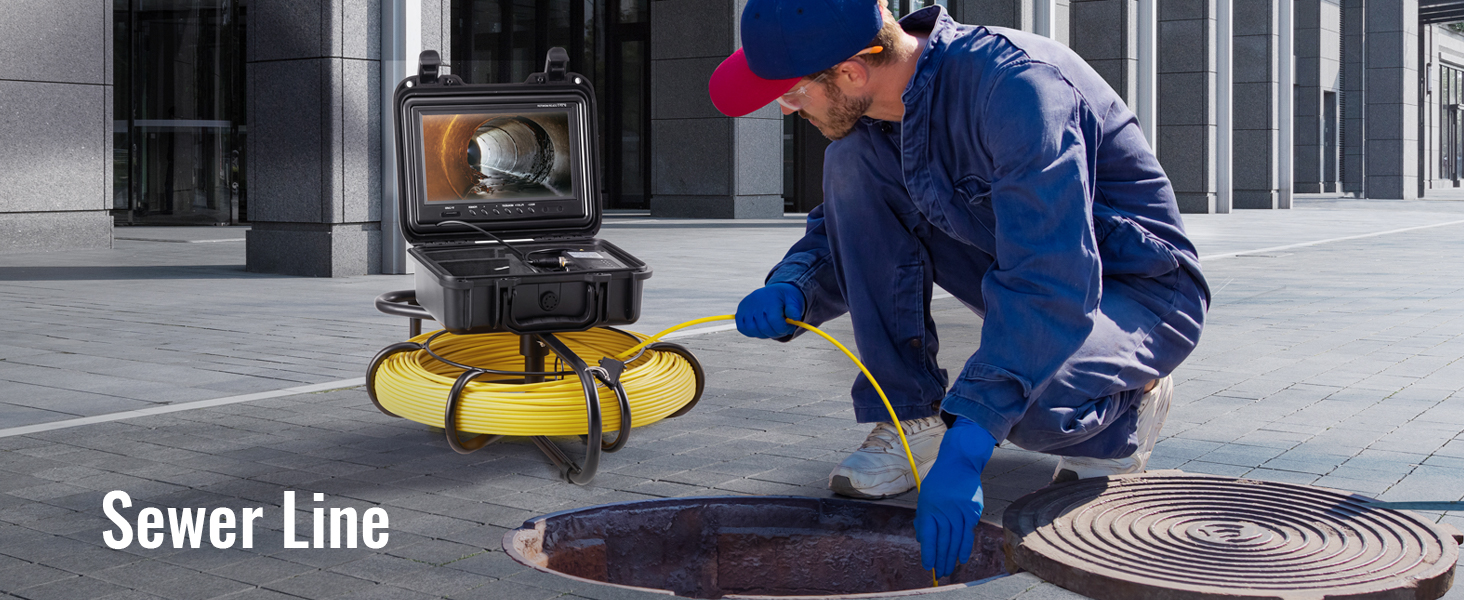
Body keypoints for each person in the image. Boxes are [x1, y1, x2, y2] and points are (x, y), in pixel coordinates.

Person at [707, 0, 1211, 578]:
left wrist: (971, 443)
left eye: (793, 92)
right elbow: (847, 233)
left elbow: (1050, 277)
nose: (786, 105)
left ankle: (1132, 399)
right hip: (1020, 262)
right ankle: (910, 420)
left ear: (850, 72)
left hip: (1139, 290)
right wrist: (795, 288)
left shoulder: (1018, 91)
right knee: (851, 162)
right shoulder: (878, 115)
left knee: (1027, 409)